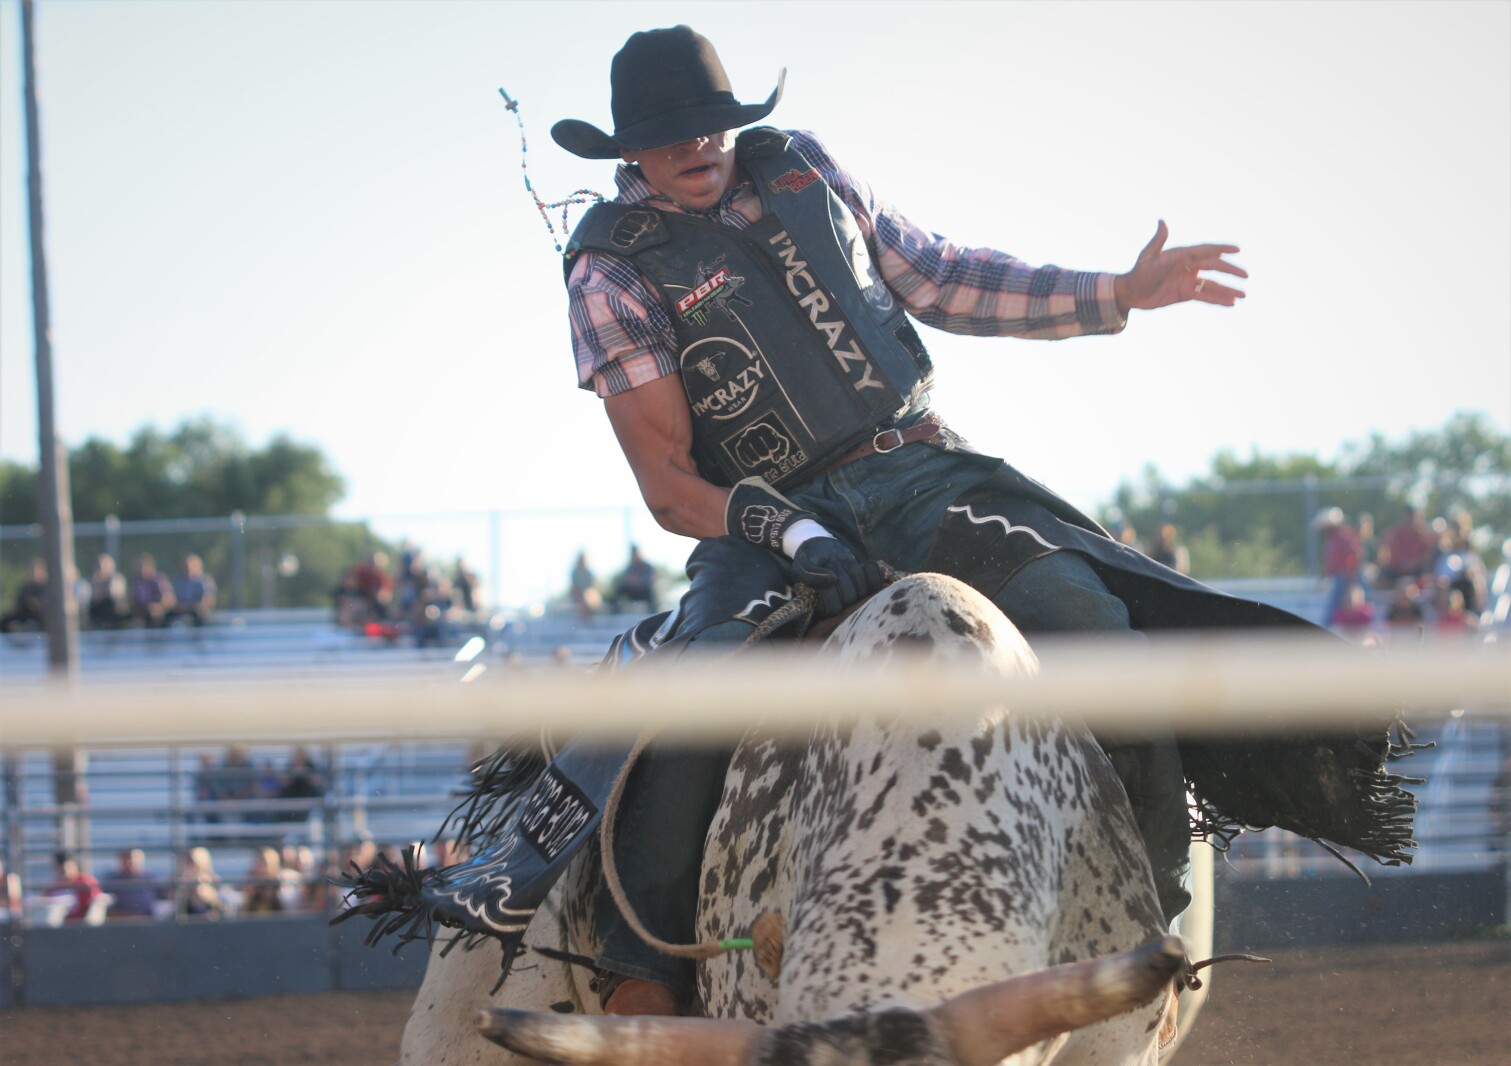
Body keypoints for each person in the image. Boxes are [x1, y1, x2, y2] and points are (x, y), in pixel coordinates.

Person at [542, 25, 1281, 1018]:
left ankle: (1142, 912)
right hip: (762, 516)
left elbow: (938, 277)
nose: (701, 144)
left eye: (714, 123)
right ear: (629, 150)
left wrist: (1114, 293)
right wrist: (789, 532)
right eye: (674, 133)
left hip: (917, 470)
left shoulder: (804, 167)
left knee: (1090, 617)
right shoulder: (608, 269)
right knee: (697, 697)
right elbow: (670, 483)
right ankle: (647, 971)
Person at [49, 852, 104, 922]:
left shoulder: (85, 882)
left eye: (68, 867)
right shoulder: (53, 885)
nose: (65, 871)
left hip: (80, 923)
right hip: (59, 923)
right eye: (60, 868)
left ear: (75, 867)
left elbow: (95, 901)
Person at [106, 848, 159, 919]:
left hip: (149, 921)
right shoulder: (111, 880)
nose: (132, 861)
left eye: (136, 858)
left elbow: (163, 898)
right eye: (127, 858)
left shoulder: (151, 879)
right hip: (120, 922)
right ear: (121, 860)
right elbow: (106, 908)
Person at [0, 557, 48, 633]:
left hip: (39, 616)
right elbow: (18, 603)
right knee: (5, 620)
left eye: (37, 570)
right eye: (32, 570)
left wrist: (36, 604)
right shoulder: (25, 587)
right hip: (25, 614)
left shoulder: (46, 588)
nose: (34, 573)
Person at [128, 553, 176, 628]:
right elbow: (133, 602)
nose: (140, 569)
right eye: (139, 566)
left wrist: (159, 606)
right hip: (143, 612)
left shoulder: (159, 579)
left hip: (161, 611)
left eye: (143, 566)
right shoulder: (136, 583)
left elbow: (169, 599)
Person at [169, 553, 217, 626]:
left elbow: (208, 599)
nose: (188, 569)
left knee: (201, 617)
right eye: (186, 567)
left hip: (197, 610)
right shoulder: (178, 581)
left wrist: (193, 606)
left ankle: (199, 636)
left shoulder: (205, 581)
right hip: (181, 609)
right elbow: (172, 598)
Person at [608, 544, 659, 612]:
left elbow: (650, 581)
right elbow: (624, 580)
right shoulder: (630, 568)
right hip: (633, 592)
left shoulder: (647, 567)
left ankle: (653, 610)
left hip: (644, 591)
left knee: (651, 590)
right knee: (620, 588)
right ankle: (614, 608)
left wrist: (639, 581)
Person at [87, 553, 128, 629]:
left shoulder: (117, 578)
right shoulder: (94, 580)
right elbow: (94, 597)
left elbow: (113, 594)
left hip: (113, 610)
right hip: (98, 609)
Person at [568, 550, 601, 620]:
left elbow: (591, 587)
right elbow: (575, 587)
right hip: (578, 595)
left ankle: (588, 615)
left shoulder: (589, 573)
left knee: (590, 596)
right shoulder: (575, 572)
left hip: (588, 595)